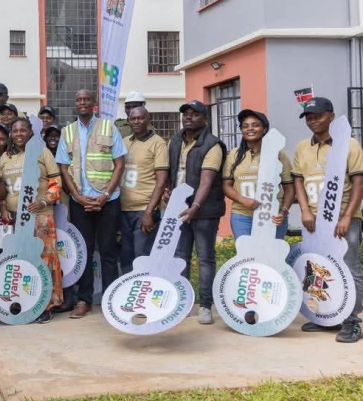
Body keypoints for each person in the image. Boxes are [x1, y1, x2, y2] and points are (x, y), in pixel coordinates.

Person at [291, 97, 363, 343]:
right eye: (309, 117)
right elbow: (298, 179)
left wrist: (347, 216)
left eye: (318, 116)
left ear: (331, 116)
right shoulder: (302, 147)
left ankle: (352, 321)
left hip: (344, 220)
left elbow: (358, 182)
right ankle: (329, 316)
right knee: (318, 267)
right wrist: (304, 211)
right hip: (313, 221)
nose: (313, 121)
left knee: (348, 268)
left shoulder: (349, 144)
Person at [56, 89, 126, 319]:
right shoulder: (67, 132)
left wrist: (105, 195)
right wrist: (76, 195)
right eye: (79, 100)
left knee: (107, 252)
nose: (83, 103)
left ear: (94, 104)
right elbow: (64, 168)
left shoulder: (108, 127)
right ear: (75, 104)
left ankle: (110, 298)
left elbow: (119, 164)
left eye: (87, 99)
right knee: (83, 252)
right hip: (80, 202)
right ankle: (84, 300)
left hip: (107, 201)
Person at [0, 118, 64, 323]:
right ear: (11, 134)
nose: (19, 134)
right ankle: (25, 301)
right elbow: (0, 190)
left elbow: (56, 181)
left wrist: (44, 200)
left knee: (43, 259)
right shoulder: (4, 158)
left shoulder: (42, 152)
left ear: (31, 132)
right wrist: (3, 208)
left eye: (23, 130)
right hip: (15, 219)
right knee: (20, 263)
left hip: (40, 215)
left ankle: (47, 304)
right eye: (15, 131)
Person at [167, 100, 227, 326]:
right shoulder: (175, 141)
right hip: (179, 209)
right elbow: (174, 173)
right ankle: (183, 302)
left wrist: (195, 207)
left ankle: (204, 306)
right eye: (185, 114)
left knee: (205, 258)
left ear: (206, 119)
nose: (188, 117)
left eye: (194, 114)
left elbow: (206, 181)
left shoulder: (213, 145)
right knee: (181, 257)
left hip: (204, 210)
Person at [223, 109, 294, 241]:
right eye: (245, 126)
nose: (250, 129)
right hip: (242, 216)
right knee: (247, 258)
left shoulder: (278, 154)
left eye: (255, 125)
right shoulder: (234, 154)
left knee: (271, 258)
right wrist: (243, 200)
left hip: (272, 216)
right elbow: (226, 186)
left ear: (264, 129)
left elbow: (289, 187)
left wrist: (283, 212)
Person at [119, 106, 169, 274]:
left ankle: (144, 295)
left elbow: (161, 181)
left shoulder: (158, 143)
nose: (137, 121)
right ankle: (127, 295)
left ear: (148, 119)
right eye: (133, 119)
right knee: (126, 257)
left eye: (140, 118)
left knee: (142, 257)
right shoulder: (125, 142)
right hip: (123, 210)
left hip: (144, 210)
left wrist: (149, 211)